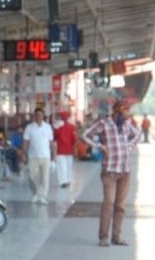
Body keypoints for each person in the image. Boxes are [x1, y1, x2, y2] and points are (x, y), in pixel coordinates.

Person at [79, 101, 142, 247]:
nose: (128, 115)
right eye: (126, 112)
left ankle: (116, 237)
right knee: (109, 203)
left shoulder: (126, 124)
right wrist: (100, 146)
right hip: (110, 171)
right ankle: (103, 237)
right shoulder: (104, 123)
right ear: (118, 111)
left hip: (125, 171)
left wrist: (130, 146)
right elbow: (85, 135)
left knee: (120, 206)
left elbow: (137, 134)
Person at [22, 107, 56, 204]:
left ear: (43, 116)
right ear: (34, 116)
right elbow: (25, 142)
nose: (38, 117)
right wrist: (23, 154)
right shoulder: (29, 127)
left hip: (45, 156)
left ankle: (42, 197)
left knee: (45, 178)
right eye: (37, 115)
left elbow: (51, 143)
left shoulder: (48, 127)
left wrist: (53, 158)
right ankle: (37, 193)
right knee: (32, 177)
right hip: (33, 156)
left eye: (40, 115)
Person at [53, 110, 77, 188]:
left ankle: (63, 181)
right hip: (69, 150)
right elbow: (74, 139)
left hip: (60, 149)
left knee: (61, 166)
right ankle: (68, 180)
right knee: (69, 166)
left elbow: (54, 137)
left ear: (61, 117)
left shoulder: (57, 127)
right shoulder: (72, 127)